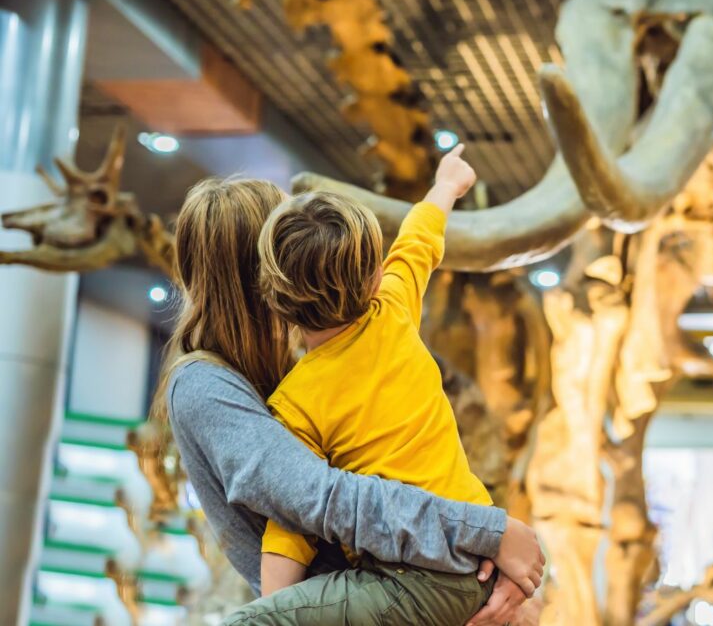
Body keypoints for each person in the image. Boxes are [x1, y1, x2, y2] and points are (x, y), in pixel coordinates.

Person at [161, 173, 543, 626]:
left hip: (418, 578)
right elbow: (319, 500)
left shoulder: (298, 388)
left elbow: (298, 526)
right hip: (422, 572)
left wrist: (500, 558)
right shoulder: (209, 386)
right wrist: (488, 534)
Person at [239, 144, 509, 626]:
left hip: (412, 579)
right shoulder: (393, 307)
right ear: (374, 276)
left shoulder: (294, 402)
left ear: (275, 298)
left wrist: (270, 608)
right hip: (478, 549)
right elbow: (418, 240)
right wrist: (447, 183)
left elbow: (292, 525)